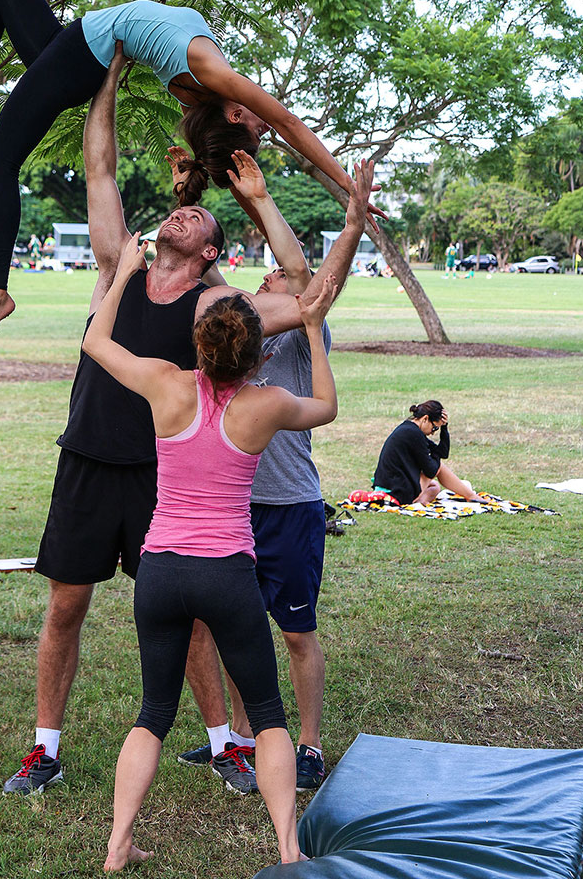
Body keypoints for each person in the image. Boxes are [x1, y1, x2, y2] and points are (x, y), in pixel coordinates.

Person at [1, 58, 375, 798]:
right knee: (66, 605)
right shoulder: (117, 265)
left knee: (194, 616)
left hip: (158, 477)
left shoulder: (216, 308)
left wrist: (285, 206)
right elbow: (100, 168)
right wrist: (103, 73)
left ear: (210, 253)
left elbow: (304, 291)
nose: (182, 212)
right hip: (84, 460)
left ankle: (224, 743)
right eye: (181, 209)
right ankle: (44, 749)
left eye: (198, 218)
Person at [0, 0, 386, 352]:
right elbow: (232, 174)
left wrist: (348, 187)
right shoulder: (198, 102)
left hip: (86, 54)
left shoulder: (215, 74)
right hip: (79, 49)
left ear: (237, 117)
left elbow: (291, 124)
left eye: (258, 126)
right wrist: (227, 189)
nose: (265, 122)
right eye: (261, 127)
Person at [82, 234, 339, 871]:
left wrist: (124, 275)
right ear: (257, 355)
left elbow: (94, 342)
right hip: (226, 575)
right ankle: (286, 849)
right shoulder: (266, 404)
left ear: (198, 346)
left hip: (161, 572)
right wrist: (308, 325)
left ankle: (117, 846)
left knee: (153, 714)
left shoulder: (166, 386)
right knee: (269, 716)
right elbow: (328, 408)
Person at [176, 152, 370, 794]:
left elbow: (304, 276)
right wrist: (191, 191)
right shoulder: (234, 334)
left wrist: (261, 201)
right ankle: (240, 739)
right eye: (258, 284)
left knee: (295, 630)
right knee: (235, 629)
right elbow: (197, 273)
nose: (265, 285)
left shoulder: (300, 336)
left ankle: (308, 744)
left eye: (276, 284)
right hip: (230, 507)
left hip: (288, 505)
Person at [372, 401, 485, 507]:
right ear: (425, 419)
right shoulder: (414, 434)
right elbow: (431, 470)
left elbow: (442, 453)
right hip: (397, 492)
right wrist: (436, 459)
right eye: (434, 428)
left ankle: (418, 502)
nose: (433, 433)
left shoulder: (409, 429)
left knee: (435, 487)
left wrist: (444, 428)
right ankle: (471, 496)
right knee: (438, 467)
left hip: (388, 487)